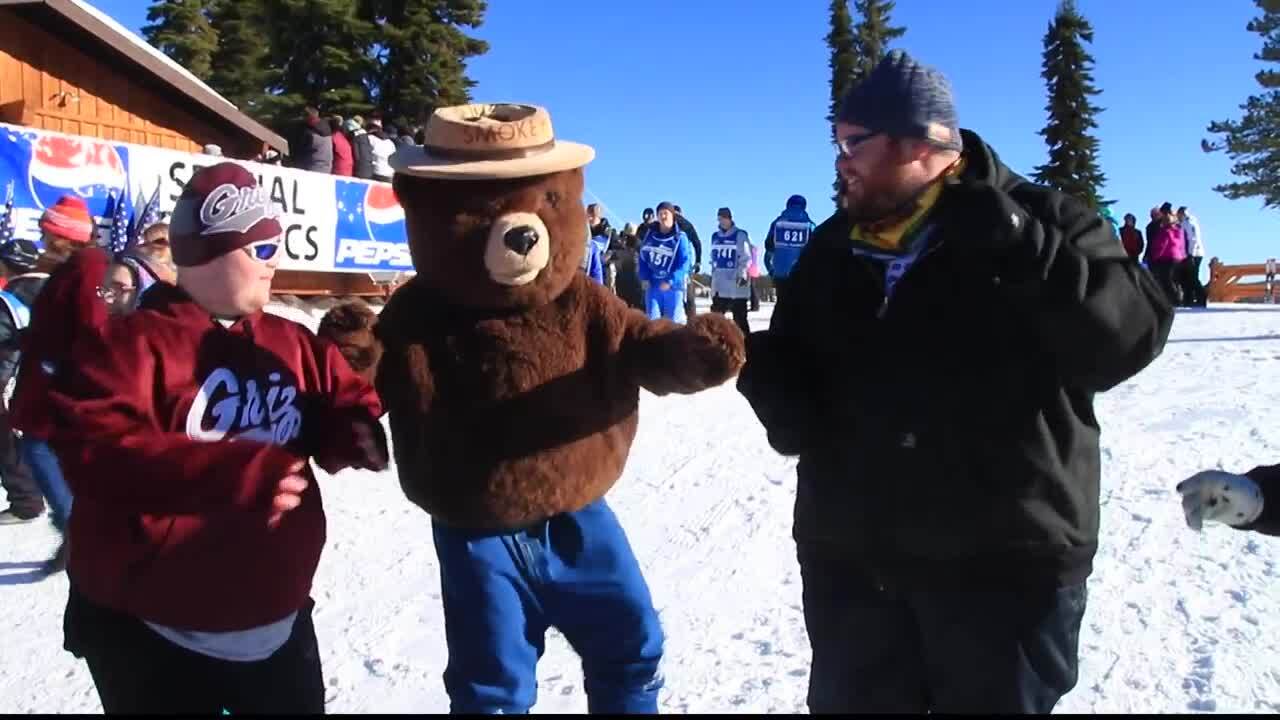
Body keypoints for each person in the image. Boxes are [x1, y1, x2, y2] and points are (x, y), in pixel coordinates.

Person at [736, 49, 1174, 714]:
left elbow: (1127, 342)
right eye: (837, 144)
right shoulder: (831, 249)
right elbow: (802, 418)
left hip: (1002, 567)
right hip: (856, 564)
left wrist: (1032, 254)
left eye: (854, 142)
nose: (840, 160)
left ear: (921, 143)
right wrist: (772, 383)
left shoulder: (1043, 220)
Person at [49, 162, 388, 714]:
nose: (274, 260)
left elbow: (343, 396)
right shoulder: (133, 346)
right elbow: (94, 448)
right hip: (154, 629)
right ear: (208, 254)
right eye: (262, 246)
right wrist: (226, 473)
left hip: (275, 615)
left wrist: (349, 430)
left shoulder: (292, 343)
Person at [9, 194, 111, 574]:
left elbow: (93, 326)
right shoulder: (72, 267)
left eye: (45, 232)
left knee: (38, 449)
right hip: (48, 377)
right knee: (46, 450)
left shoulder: (87, 268)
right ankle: (76, 530)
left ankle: (75, 530)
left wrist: (65, 366)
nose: (40, 238)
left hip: (59, 383)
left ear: (61, 235)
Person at [0, 238, 46, 524]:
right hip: (40, 374)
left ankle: (26, 501)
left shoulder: (8, 301)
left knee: (6, 443)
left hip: (8, 377)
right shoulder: (53, 288)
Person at [637, 202, 694, 324]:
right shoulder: (650, 235)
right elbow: (642, 257)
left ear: (673, 216)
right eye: (660, 214)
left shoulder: (680, 237)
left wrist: (671, 280)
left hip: (673, 288)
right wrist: (644, 276)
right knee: (652, 323)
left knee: (673, 323)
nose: (663, 217)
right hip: (654, 286)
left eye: (666, 213)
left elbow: (685, 263)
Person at [707, 207, 753, 335]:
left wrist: (742, 274)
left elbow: (746, 257)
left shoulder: (740, 235)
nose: (722, 221)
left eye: (724, 218)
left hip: (736, 286)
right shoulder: (715, 236)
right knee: (715, 321)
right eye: (720, 218)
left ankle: (746, 346)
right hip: (719, 286)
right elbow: (713, 258)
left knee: (740, 320)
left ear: (730, 219)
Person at [763, 195, 816, 299]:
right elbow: (816, 251)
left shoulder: (777, 223)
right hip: (802, 274)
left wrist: (771, 270)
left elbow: (768, 247)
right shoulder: (809, 225)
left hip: (780, 273)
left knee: (783, 306)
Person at [672, 205, 702, 319]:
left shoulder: (664, 224)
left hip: (667, 267)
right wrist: (698, 261)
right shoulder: (687, 224)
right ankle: (692, 321)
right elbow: (697, 243)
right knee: (688, 298)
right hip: (685, 267)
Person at [1177, 206, 1206, 307]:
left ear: (1182, 214)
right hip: (1188, 254)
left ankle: (1201, 298)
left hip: (1194, 254)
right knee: (1187, 278)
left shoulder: (1189, 223)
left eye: (1179, 215)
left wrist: (1191, 255)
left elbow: (1193, 240)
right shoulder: (1184, 223)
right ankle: (1188, 299)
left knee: (1193, 277)